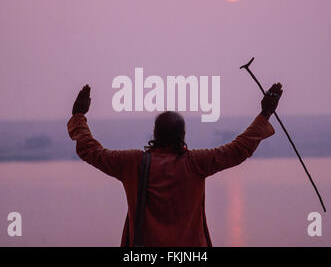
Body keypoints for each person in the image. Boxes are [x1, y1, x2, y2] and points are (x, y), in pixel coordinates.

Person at [67, 82, 283, 246]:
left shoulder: (132, 163)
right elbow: (238, 149)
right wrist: (265, 113)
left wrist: (78, 115)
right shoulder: (196, 163)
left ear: (155, 134)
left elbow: (91, 150)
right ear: (183, 135)